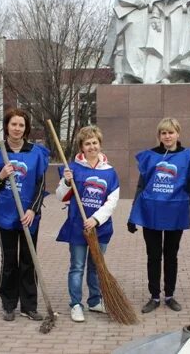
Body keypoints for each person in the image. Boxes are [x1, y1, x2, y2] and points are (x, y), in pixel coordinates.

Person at [127, 117, 190, 313]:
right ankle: (154, 296)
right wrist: (133, 213)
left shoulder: (188, 155)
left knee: (171, 255)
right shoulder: (149, 156)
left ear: (178, 133)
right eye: (163, 133)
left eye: (171, 132)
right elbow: (141, 185)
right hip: (150, 211)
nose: (167, 136)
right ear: (159, 135)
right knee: (153, 256)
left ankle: (169, 295)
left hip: (175, 212)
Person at [0, 108, 49, 322]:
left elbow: (40, 184)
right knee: (9, 260)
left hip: (28, 216)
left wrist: (33, 210)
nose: (17, 128)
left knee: (29, 260)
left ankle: (29, 306)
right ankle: (9, 304)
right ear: (7, 127)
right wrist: (1, 175)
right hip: (6, 215)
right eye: (13, 124)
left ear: (26, 128)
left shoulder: (36, 153)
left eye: (21, 125)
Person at [55, 126, 120, 323]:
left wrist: (96, 219)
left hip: (100, 228)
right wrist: (66, 183)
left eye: (94, 143)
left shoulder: (110, 172)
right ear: (81, 147)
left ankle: (95, 300)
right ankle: (76, 304)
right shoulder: (73, 169)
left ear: (99, 145)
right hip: (78, 227)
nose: (91, 146)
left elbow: (112, 201)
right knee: (77, 266)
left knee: (96, 267)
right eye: (87, 143)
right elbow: (60, 196)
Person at [103, 0, 165, 84]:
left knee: (148, 47)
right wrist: (136, 1)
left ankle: (151, 75)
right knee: (124, 47)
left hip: (148, 18)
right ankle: (121, 76)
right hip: (130, 19)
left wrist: (155, 13)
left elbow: (160, 1)